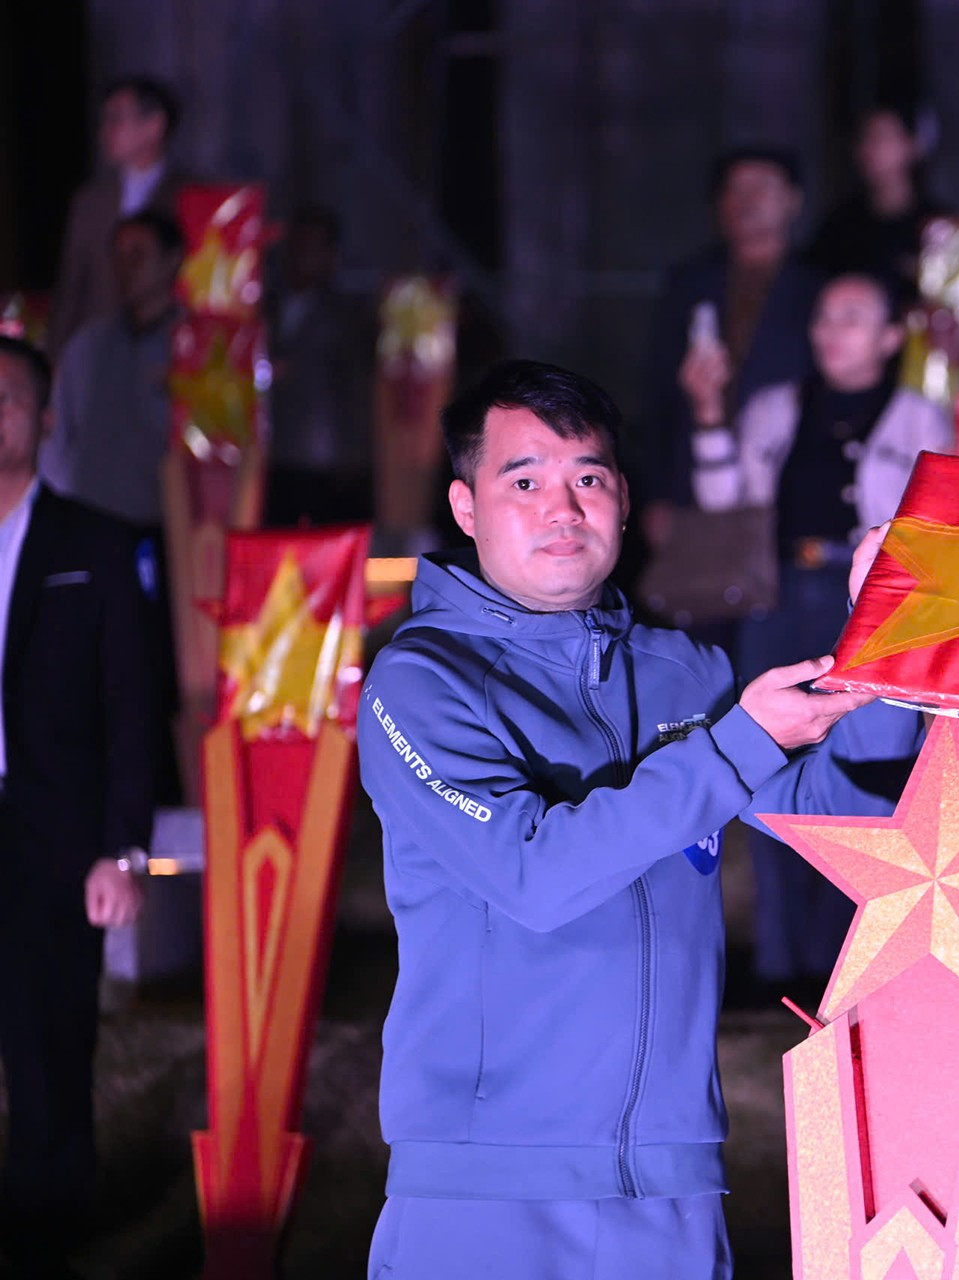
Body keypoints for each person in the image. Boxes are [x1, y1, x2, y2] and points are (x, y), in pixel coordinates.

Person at [358, 359, 919, 1279]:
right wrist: (740, 743)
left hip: (670, 1189)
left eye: (589, 478)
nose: (563, 508)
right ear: (465, 508)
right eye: (525, 480)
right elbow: (535, 877)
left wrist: (888, 644)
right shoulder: (421, 682)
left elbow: (831, 820)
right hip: (484, 1190)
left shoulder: (682, 673)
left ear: (622, 501)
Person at [691, 271, 952, 993]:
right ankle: (779, 965)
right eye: (825, 315)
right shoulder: (775, 408)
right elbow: (726, 504)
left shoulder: (921, 417)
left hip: (871, 599)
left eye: (853, 315)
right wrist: (711, 412)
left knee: (857, 781)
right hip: (778, 596)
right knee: (764, 770)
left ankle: (844, 966)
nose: (833, 329)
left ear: (892, 336)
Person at [0, 335, 156, 1275]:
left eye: (8, 398)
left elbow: (131, 712)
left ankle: (46, 1234)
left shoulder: (93, 545)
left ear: (45, 418)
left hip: (49, 836)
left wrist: (124, 851)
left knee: (48, 1043)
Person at [635, 146, 823, 555]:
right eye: (734, 189)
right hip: (693, 482)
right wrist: (657, 493)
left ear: (793, 200)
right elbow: (658, 392)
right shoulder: (690, 284)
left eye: (760, 188)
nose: (745, 200)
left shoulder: (819, 289)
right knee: (698, 598)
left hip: (785, 485)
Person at [40, 210, 186, 533]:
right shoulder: (88, 344)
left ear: (172, 260)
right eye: (118, 255)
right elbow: (57, 432)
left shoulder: (191, 349)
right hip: (89, 519)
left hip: (165, 525)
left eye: (138, 254)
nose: (126, 267)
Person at [47, 75, 188, 361]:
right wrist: (56, 357)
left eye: (117, 119)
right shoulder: (90, 202)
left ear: (154, 125)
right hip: (97, 351)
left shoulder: (187, 197)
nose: (106, 131)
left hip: (165, 353)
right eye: (106, 120)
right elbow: (71, 289)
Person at [267, 204, 374, 526]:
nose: (303, 255)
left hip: (325, 461)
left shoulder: (348, 317)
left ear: (331, 254)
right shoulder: (264, 308)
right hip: (272, 458)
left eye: (313, 247)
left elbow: (357, 389)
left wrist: (354, 459)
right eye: (297, 245)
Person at [807, 104, 947, 291]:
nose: (870, 148)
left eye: (882, 137)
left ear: (912, 146)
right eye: (865, 138)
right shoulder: (841, 222)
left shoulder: (938, 224)